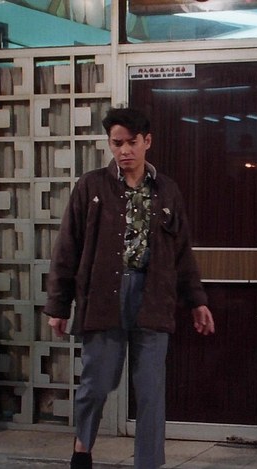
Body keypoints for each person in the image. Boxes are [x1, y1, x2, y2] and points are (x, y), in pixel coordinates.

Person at [44, 107, 216, 469]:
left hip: (153, 296)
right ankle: (82, 447)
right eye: (117, 143)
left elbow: (182, 252)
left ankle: (148, 463)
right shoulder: (91, 186)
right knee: (96, 384)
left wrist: (197, 301)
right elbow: (67, 248)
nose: (124, 150)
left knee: (151, 390)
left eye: (131, 142)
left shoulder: (166, 190)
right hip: (104, 296)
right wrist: (58, 306)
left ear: (146, 142)